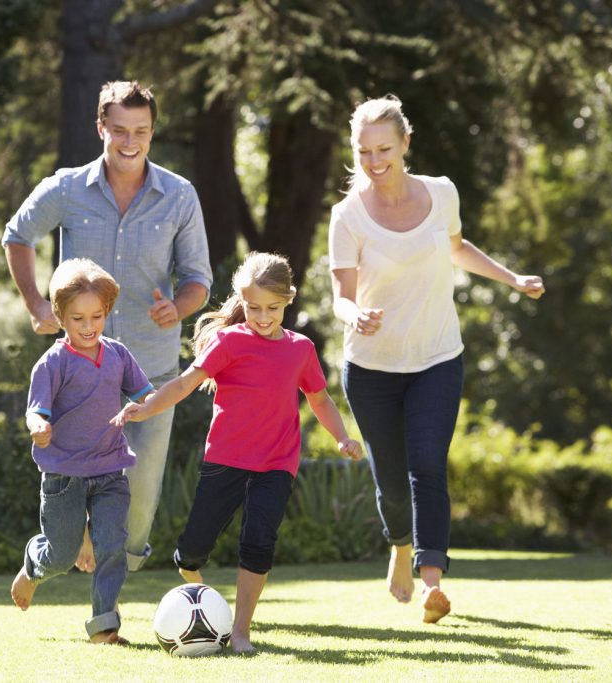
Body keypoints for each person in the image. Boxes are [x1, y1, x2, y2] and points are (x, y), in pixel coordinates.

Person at [327, 95, 545, 624]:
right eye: (364, 152)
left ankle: (432, 584)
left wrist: (512, 279)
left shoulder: (442, 193)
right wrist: (352, 315)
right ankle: (399, 545)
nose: (375, 161)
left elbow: (458, 248)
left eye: (384, 149)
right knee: (393, 484)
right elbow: (340, 293)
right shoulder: (347, 215)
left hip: (437, 358)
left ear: (405, 143)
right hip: (372, 368)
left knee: (428, 465)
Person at [2, 80, 212, 573]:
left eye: (140, 130)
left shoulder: (179, 196)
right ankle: (86, 565)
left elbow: (198, 279)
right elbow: (17, 235)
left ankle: (122, 559)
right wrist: (36, 303)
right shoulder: (68, 189)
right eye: (118, 129)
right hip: (79, 373)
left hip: (151, 373)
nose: (129, 141)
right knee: (72, 493)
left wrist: (178, 308)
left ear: (153, 132)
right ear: (101, 128)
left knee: (139, 498)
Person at [112, 252, 364, 653]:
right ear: (241, 301)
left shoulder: (300, 349)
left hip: (277, 463)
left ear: (289, 300)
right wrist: (147, 407)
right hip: (225, 459)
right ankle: (209, 605)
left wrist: (341, 436)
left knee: (259, 541)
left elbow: (319, 399)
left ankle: (241, 630)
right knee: (191, 551)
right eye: (254, 307)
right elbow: (185, 383)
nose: (263, 317)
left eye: (273, 308)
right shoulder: (228, 341)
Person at [10, 258, 154, 645]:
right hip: (63, 477)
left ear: (106, 312)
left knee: (111, 547)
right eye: (78, 319)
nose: (89, 326)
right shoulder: (52, 363)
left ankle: (104, 627)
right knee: (62, 555)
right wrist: (38, 427)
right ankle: (34, 565)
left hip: (110, 470)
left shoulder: (119, 355)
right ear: (60, 316)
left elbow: (145, 394)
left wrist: (145, 406)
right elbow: (35, 410)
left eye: (96, 316)